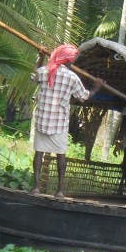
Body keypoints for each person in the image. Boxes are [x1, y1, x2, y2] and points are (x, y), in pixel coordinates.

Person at [30, 45, 93, 199]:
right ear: (68, 60)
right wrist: (97, 87)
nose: (73, 63)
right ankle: (60, 191)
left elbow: (34, 76)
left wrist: (40, 58)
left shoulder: (44, 70)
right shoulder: (72, 77)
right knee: (60, 155)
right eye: (73, 60)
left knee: (39, 153)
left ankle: (36, 187)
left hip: (42, 121)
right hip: (59, 123)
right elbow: (84, 97)